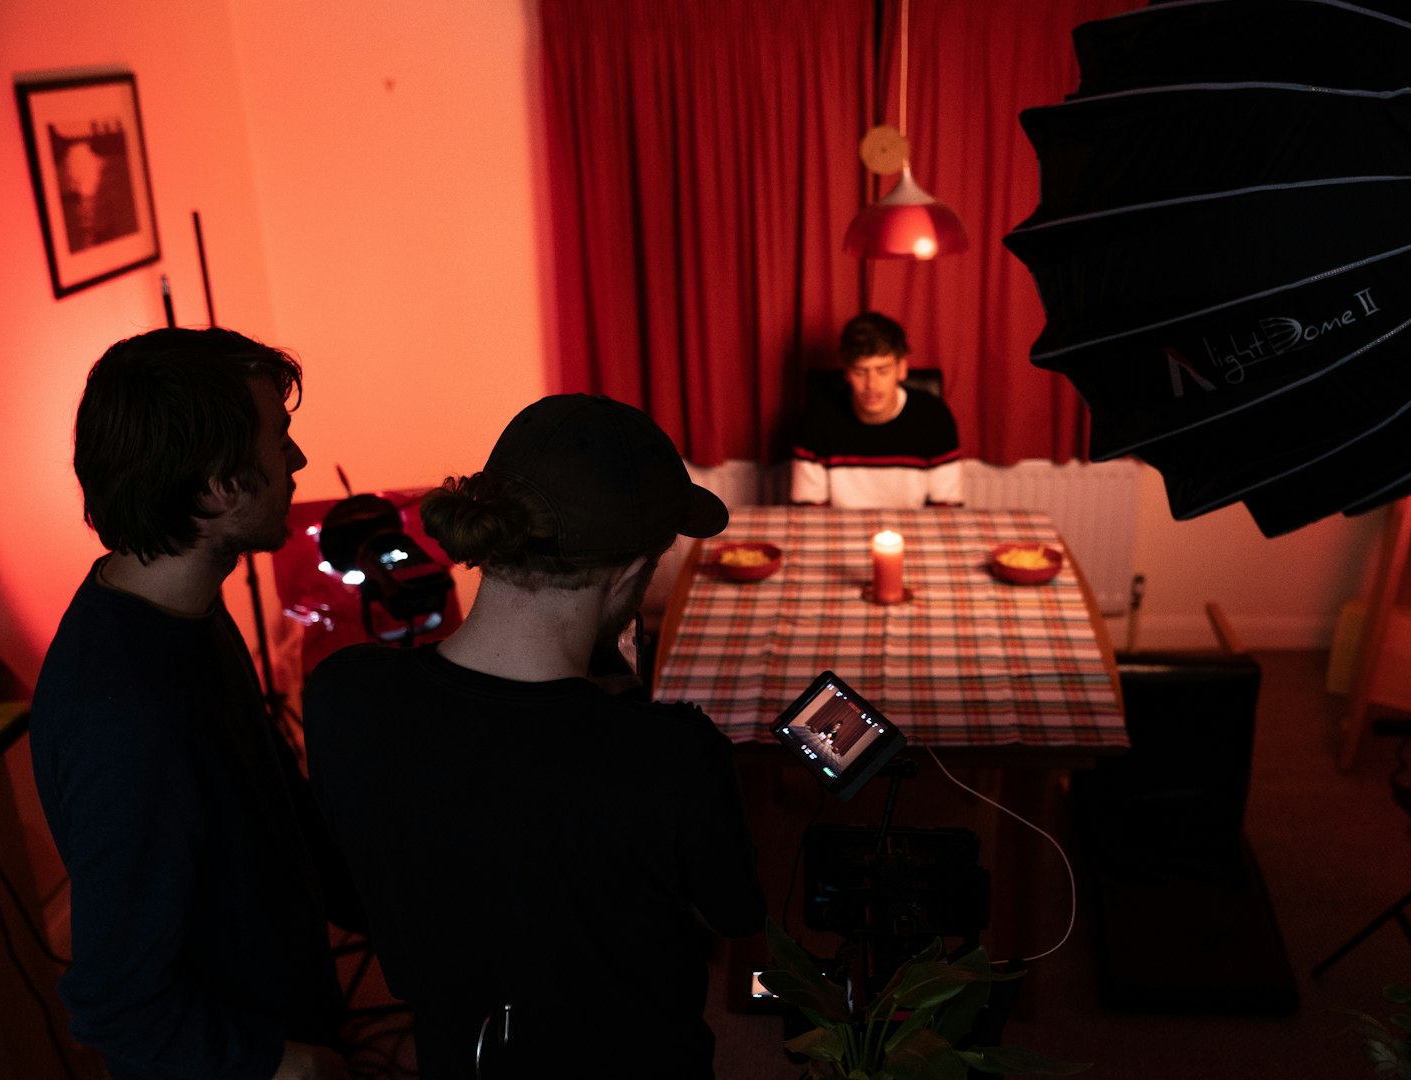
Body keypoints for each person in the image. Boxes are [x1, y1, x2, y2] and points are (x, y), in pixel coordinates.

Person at [303, 394, 767, 1079]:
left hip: (458, 1055)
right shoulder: (670, 754)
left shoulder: (344, 693)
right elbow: (737, 911)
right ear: (630, 575)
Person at [29, 327, 350, 1080]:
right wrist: (285, 1064)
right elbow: (116, 1004)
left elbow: (269, 813)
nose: (298, 461)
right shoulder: (126, 716)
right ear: (217, 488)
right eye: (280, 440)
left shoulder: (182, 610)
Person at [790, 311, 964, 508]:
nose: (871, 385)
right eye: (860, 371)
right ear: (847, 373)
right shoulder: (817, 419)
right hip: (839, 527)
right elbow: (808, 511)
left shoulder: (934, 417)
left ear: (901, 369)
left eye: (882, 371)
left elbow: (947, 509)